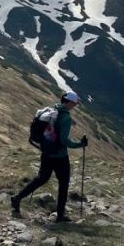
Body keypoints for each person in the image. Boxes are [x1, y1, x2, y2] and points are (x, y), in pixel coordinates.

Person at [11, 90, 88, 222]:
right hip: (59, 155)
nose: (75, 106)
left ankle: (17, 198)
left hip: (46, 152)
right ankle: (60, 215)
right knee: (63, 183)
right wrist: (80, 144)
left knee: (41, 178)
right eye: (74, 103)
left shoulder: (51, 111)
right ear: (69, 102)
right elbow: (64, 141)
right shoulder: (65, 118)